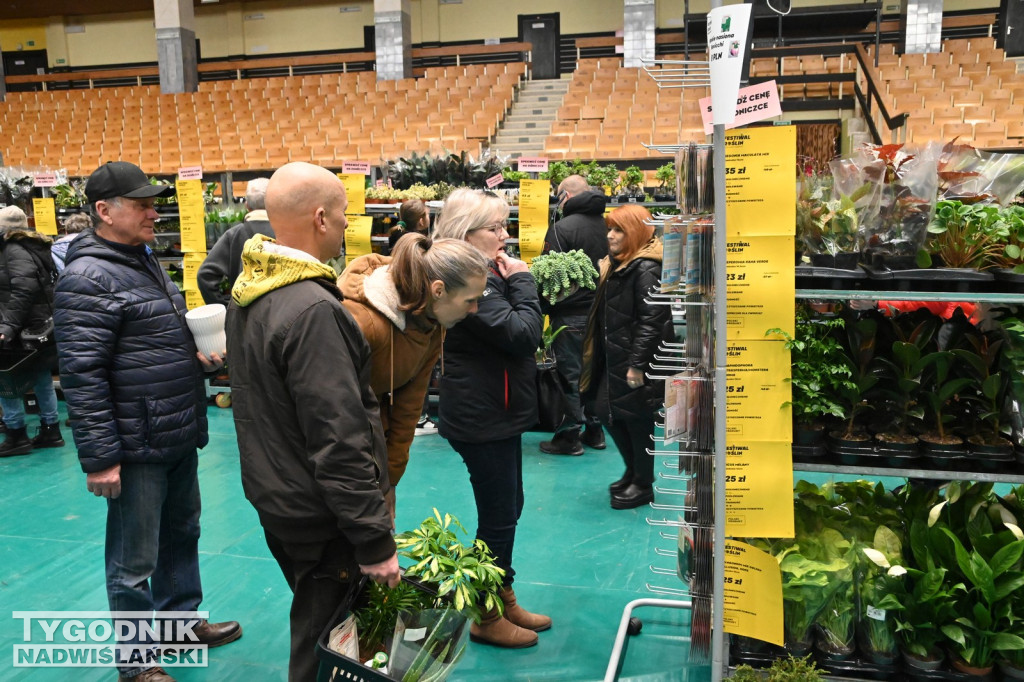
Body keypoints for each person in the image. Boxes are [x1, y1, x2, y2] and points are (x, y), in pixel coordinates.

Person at [54, 161, 241, 682]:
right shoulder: (87, 277)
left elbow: (144, 342)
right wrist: (101, 459)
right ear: (103, 211)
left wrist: (194, 355)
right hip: (134, 443)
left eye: (152, 203)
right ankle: (136, 662)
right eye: (141, 205)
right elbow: (83, 373)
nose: (152, 213)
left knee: (182, 533)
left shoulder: (140, 261)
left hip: (173, 427)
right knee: (134, 559)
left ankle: (179, 622)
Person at [224, 162, 400, 682]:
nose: (348, 225)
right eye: (345, 214)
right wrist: (373, 539)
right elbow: (337, 436)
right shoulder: (314, 311)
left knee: (326, 628)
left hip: (280, 497)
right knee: (327, 646)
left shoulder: (251, 291)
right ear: (321, 218)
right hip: (323, 516)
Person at [432, 188, 547, 648]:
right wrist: (522, 281)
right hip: (483, 414)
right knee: (498, 515)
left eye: (504, 225)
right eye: (495, 228)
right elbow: (522, 335)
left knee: (509, 507)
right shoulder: (466, 278)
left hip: (497, 409)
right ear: (466, 232)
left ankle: (502, 594)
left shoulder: (483, 272)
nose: (504, 234)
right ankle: (485, 613)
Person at [338, 235, 488, 522]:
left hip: (368, 445)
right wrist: (364, 491)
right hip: (336, 452)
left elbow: (409, 406)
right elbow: (330, 415)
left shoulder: (429, 320)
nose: (474, 310)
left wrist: (389, 481)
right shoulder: (362, 323)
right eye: (470, 300)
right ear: (439, 290)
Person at [580, 204, 674, 510]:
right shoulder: (621, 264)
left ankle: (643, 484)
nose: (611, 235)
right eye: (610, 228)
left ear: (634, 231)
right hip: (615, 356)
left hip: (633, 360)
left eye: (619, 229)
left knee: (636, 420)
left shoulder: (646, 267)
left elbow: (653, 320)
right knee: (606, 409)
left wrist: (637, 365)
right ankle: (633, 471)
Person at [538, 174, 609, 456]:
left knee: (570, 375)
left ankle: (569, 436)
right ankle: (595, 430)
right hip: (602, 314)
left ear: (565, 197)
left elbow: (550, 278)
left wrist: (541, 310)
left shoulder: (561, 229)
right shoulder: (609, 226)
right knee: (595, 372)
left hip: (571, 316)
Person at [0, 205, 64, 455]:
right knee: (40, 376)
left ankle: (17, 434)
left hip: (19, 326)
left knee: (5, 379)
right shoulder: (32, 246)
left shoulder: (13, 250)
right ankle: (51, 429)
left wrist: (7, 326)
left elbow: (23, 290)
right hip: (37, 326)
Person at [197, 178, 273, 306]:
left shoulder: (234, 235)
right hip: (282, 314)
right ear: (273, 203)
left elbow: (205, 275)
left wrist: (225, 306)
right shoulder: (287, 232)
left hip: (244, 315)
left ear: (247, 206)